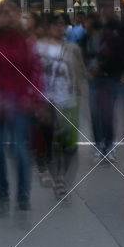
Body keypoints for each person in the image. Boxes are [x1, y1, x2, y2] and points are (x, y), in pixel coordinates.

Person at [0, 1, 41, 216]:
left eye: (10, 13)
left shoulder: (26, 43)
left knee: (20, 149)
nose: (6, 17)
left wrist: (32, 97)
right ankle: (2, 190)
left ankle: (23, 194)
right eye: (1, 13)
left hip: (20, 101)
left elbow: (35, 71)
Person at [33, 14, 84, 199]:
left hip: (68, 100)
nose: (59, 28)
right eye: (55, 25)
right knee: (50, 143)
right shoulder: (38, 48)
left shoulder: (72, 49)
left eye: (62, 25)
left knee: (69, 145)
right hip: (46, 101)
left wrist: (79, 90)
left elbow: (79, 73)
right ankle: (59, 180)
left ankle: (62, 177)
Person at [92, 14, 124, 163]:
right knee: (98, 114)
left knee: (107, 114)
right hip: (98, 79)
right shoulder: (96, 37)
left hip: (112, 78)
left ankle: (108, 145)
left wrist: (123, 72)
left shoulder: (119, 37)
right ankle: (101, 145)